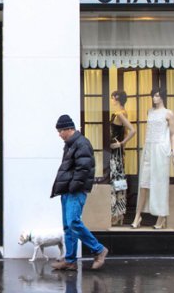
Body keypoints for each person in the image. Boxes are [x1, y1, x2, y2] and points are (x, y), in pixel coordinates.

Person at [50, 114, 108, 271]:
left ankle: (99, 249)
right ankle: (70, 260)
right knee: (68, 226)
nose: (59, 134)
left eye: (60, 131)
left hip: (75, 191)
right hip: (68, 190)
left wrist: (72, 187)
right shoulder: (71, 144)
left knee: (73, 222)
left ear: (69, 129)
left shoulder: (81, 144)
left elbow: (84, 169)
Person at [131, 88, 174, 229]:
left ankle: (161, 217)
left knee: (160, 183)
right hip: (149, 148)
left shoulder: (168, 113)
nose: (154, 98)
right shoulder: (149, 112)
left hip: (161, 149)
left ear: (162, 97)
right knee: (144, 184)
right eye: (153, 95)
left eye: (157, 95)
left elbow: (173, 134)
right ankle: (137, 216)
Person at [109, 90, 135, 226]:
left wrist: (121, 143)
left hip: (116, 153)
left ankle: (117, 214)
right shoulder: (121, 113)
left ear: (116, 99)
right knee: (117, 180)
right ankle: (118, 214)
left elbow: (132, 130)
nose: (111, 100)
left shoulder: (120, 114)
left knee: (117, 181)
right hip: (115, 152)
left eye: (112, 98)